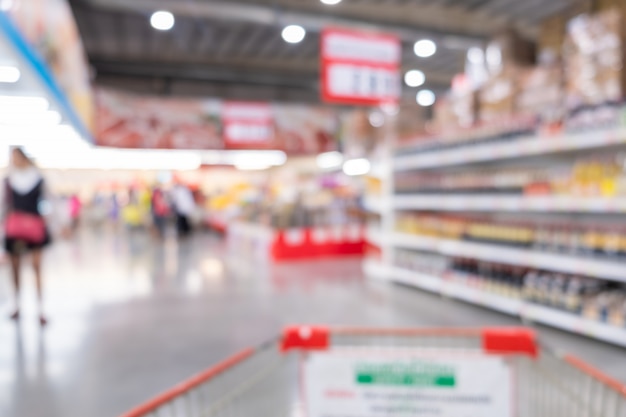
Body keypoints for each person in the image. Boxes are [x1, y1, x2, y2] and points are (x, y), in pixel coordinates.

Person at [3, 148, 52, 325]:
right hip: (15, 230)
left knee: (37, 267)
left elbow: (48, 201)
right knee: (15, 269)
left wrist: (53, 220)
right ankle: (17, 305)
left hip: (35, 228)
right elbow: (4, 206)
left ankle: (41, 308)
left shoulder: (38, 179)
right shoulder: (8, 181)